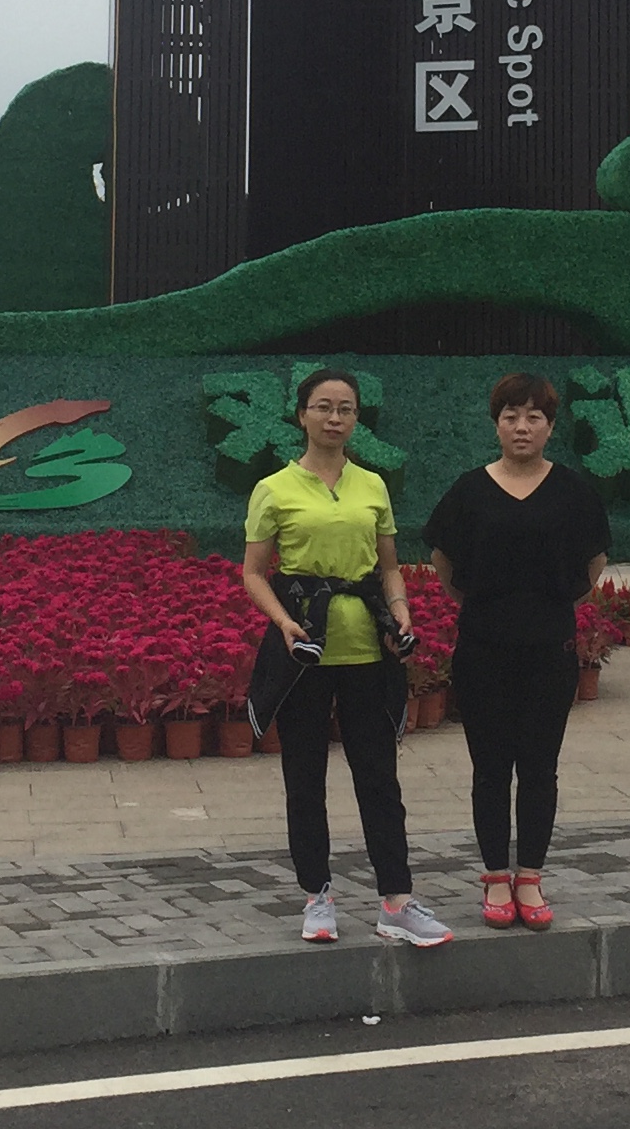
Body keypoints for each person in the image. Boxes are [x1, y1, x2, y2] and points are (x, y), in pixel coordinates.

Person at [242, 368, 454, 949]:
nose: (334, 418)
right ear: (301, 415)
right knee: (304, 778)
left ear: (357, 418)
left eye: (346, 409)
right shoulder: (274, 488)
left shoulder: (372, 485)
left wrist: (401, 610)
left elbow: (388, 566)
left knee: (379, 779)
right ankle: (317, 896)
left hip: (368, 653)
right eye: (323, 407)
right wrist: (283, 622)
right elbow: (254, 573)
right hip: (304, 653)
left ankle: (397, 902)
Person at [425, 372, 610, 928]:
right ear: (496, 424)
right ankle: (494, 878)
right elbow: (443, 562)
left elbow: (594, 563)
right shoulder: (470, 491)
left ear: (551, 426)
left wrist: (545, 605)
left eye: (534, 417)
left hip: (549, 649)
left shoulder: (573, 491)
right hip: (483, 648)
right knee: (489, 767)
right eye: (511, 416)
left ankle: (529, 876)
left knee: (539, 767)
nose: (522, 427)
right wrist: (488, 603)